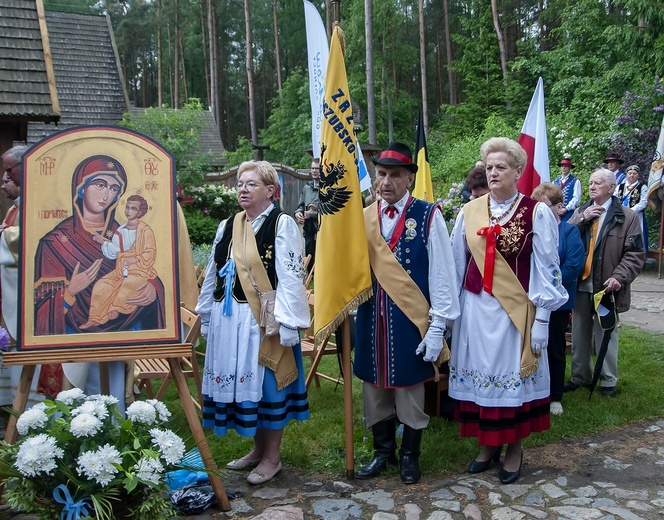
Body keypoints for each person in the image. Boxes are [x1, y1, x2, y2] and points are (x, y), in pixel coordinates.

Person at [449, 137, 567, 485]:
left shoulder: (536, 211)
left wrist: (543, 319)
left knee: (510, 381)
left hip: (514, 313)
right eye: (489, 167)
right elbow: (457, 265)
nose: (494, 172)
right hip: (475, 310)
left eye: (501, 167)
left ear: (518, 171)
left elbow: (548, 268)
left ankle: (513, 447)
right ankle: (488, 446)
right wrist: (450, 317)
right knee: (482, 377)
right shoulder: (469, 212)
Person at [196, 160, 310, 485]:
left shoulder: (281, 223)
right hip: (230, 322)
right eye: (240, 184)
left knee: (269, 389)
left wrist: (289, 322)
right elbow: (213, 274)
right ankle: (257, 451)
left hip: (265, 320)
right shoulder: (227, 225)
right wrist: (205, 313)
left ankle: (272, 458)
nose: (242, 189)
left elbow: (291, 276)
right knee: (251, 390)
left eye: (251, 184)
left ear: (271, 191)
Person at [354, 141, 460, 485]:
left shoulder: (428, 215)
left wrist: (437, 326)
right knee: (374, 388)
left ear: (409, 179)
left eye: (395, 175)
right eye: (381, 174)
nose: (386, 182)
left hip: (410, 321)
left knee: (409, 390)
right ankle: (382, 452)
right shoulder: (364, 217)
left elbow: (442, 274)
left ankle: (410, 456)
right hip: (372, 319)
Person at [34, 155, 165, 411]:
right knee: (75, 409)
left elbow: (148, 268)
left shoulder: (126, 232)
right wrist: (71, 292)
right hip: (73, 338)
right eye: (99, 184)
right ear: (81, 189)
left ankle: (117, 435)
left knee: (113, 405)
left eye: (114, 188)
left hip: (119, 333)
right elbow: (40, 308)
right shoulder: (54, 242)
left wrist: (152, 288)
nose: (106, 194)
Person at [565, 168, 645, 397]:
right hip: (580, 283)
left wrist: (619, 277)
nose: (591, 187)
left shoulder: (626, 216)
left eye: (597, 183)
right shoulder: (582, 211)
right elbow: (565, 237)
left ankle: (608, 381)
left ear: (611, 188)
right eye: (590, 183)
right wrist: (581, 219)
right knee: (580, 331)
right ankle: (580, 376)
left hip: (607, 285)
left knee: (606, 330)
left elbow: (635, 253)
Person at [531, 182, 585, 415]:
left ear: (559, 207)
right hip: (532, 301)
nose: (539, 211)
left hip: (558, 302)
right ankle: (533, 391)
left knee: (554, 346)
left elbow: (573, 265)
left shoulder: (569, 231)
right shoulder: (532, 230)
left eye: (544, 205)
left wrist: (548, 286)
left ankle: (555, 397)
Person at [0, 145, 44, 410]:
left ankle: (30, 406)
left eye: (9, 170)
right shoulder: (18, 205)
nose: (6, 177)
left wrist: (3, 235)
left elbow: (31, 239)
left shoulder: (39, 201)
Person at [82, 195, 158, 329]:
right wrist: (103, 242)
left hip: (139, 270)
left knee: (127, 284)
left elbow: (150, 252)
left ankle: (115, 308)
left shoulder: (145, 230)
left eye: (133, 208)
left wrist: (135, 259)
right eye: (127, 207)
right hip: (120, 269)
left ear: (140, 212)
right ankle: (95, 318)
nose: (128, 211)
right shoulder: (120, 230)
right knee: (102, 284)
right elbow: (115, 251)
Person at [294, 159, 320, 267]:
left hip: (321, 228)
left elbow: (329, 213)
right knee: (309, 253)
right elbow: (301, 205)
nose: (314, 171)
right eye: (313, 168)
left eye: (317, 168)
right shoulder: (306, 188)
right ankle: (310, 278)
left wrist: (312, 215)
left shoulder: (327, 189)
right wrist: (298, 213)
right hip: (308, 229)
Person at [616, 164, 648, 252]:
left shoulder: (642, 187)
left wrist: (630, 211)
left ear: (638, 175)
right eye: (630, 173)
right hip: (621, 215)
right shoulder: (620, 187)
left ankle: (639, 253)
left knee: (637, 234)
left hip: (636, 216)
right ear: (626, 174)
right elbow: (614, 199)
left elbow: (643, 202)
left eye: (634, 173)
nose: (632, 175)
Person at [552, 158, 581, 223]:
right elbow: (551, 197)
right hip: (556, 213)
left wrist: (566, 209)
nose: (564, 168)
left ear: (570, 168)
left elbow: (576, 198)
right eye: (562, 166)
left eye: (566, 166)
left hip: (569, 213)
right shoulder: (555, 181)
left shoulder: (575, 181)